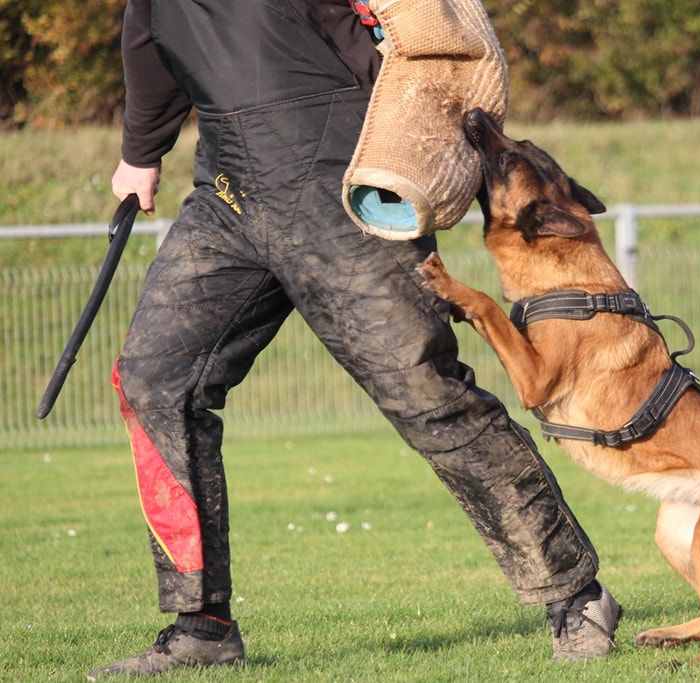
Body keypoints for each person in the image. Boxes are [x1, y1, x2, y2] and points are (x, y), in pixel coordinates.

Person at [87, 1, 621, 678]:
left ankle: (576, 593)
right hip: (229, 191)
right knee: (154, 379)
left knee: (429, 398)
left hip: (342, 174)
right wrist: (141, 153)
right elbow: (150, 36)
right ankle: (202, 622)